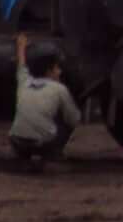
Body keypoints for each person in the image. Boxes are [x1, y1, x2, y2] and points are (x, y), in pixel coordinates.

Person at [8, 41, 79, 171]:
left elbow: (21, 65)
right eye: (57, 68)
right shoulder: (59, 88)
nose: (60, 71)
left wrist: (21, 46)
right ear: (49, 71)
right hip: (42, 143)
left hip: (16, 142)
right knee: (66, 118)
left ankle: (25, 158)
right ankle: (52, 155)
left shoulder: (24, 81)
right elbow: (74, 119)